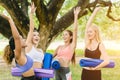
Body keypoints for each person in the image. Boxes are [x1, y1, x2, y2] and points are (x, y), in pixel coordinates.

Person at [1, 14, 35, 80]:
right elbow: (16, 38)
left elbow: (31, 30)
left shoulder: (25, 50)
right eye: (22, 39)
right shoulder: (18, 56)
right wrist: (10, 20)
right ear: (17, 44)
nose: (24, 39)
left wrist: (31, 14)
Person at [81, 7, 110, 80]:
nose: (88, 33)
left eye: (90, 32)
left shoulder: (100, 45)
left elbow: (107, 61)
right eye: (87, 32)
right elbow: (87, 25)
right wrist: (95, 12)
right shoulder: (87, 42)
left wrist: (95, 68)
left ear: (95, 32)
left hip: (95, 74)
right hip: (85, 73)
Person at [53, 7, 81, 80]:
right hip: (57, 70)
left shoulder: (72, 46)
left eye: (66, 34)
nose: (64, 36)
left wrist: (76, 16)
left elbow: (75, 30)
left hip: (65, 71)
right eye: (63, 35)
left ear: (71, 37)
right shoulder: (59, 47)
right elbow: (50, 58)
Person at [25, 2, 44, 69]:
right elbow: (31, 29)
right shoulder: (29, 46)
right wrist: (31, 14)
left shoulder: (40, 50)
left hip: (40, 76)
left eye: (37, 35)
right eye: (34, 35)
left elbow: (42, 65)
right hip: (30, 76)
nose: (36, 36)